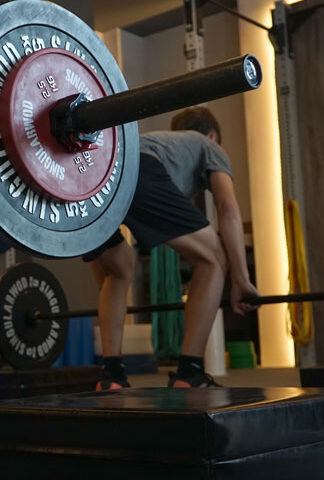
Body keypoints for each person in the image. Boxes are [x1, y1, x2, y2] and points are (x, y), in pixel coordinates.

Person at [86, 107, 259, 390]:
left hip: (92, 178)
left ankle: (112, 376)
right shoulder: (209, 146)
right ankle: (190, 373)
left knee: (118, 270)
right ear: (213, 136)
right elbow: (227, 207)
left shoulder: (165, 144)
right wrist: (241, 278)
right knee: (214, 258)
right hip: (140, 170)